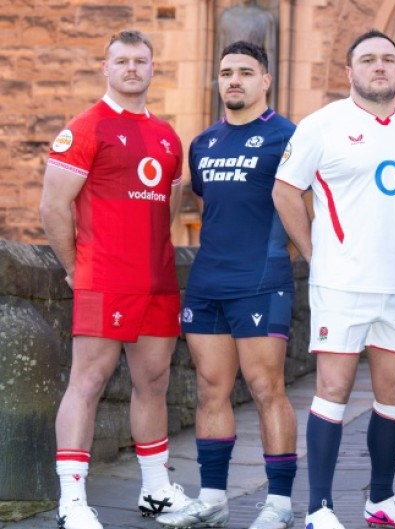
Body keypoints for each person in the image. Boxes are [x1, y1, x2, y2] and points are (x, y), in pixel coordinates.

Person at [272, 29, 395, 529]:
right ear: (350, 72)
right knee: (334, 389)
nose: (379, 67)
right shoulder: (322, 125)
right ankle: (319, 508)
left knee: (394, 393)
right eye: (368, 60)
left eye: (388, 59)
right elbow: (284, 191)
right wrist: (316, 253)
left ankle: (379, 500)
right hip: (341, 283)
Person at [38, 29, 191, 529]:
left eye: (140, 61)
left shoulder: (169, 137)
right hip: (104, 278)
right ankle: (72, 501)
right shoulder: (86, 127)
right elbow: (53, 206)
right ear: (106, 68)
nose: (131, 68)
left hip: (157, 280)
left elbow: (166, 210)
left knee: (154, 381)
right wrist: (74, 267)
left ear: (152, 68)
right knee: (88, 381)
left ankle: (155, 490)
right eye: (121, 61)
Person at [153, 41, 298, 529]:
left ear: (265, 80)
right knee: (211, 389)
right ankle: (212, 499)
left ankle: (278, 504)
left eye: (244, 72)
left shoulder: (286, 137)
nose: (233, 80)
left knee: (266, 388)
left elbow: (306, 207)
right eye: (225, 72)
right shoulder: (203, 144)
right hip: (207, 281)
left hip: (260, 281)